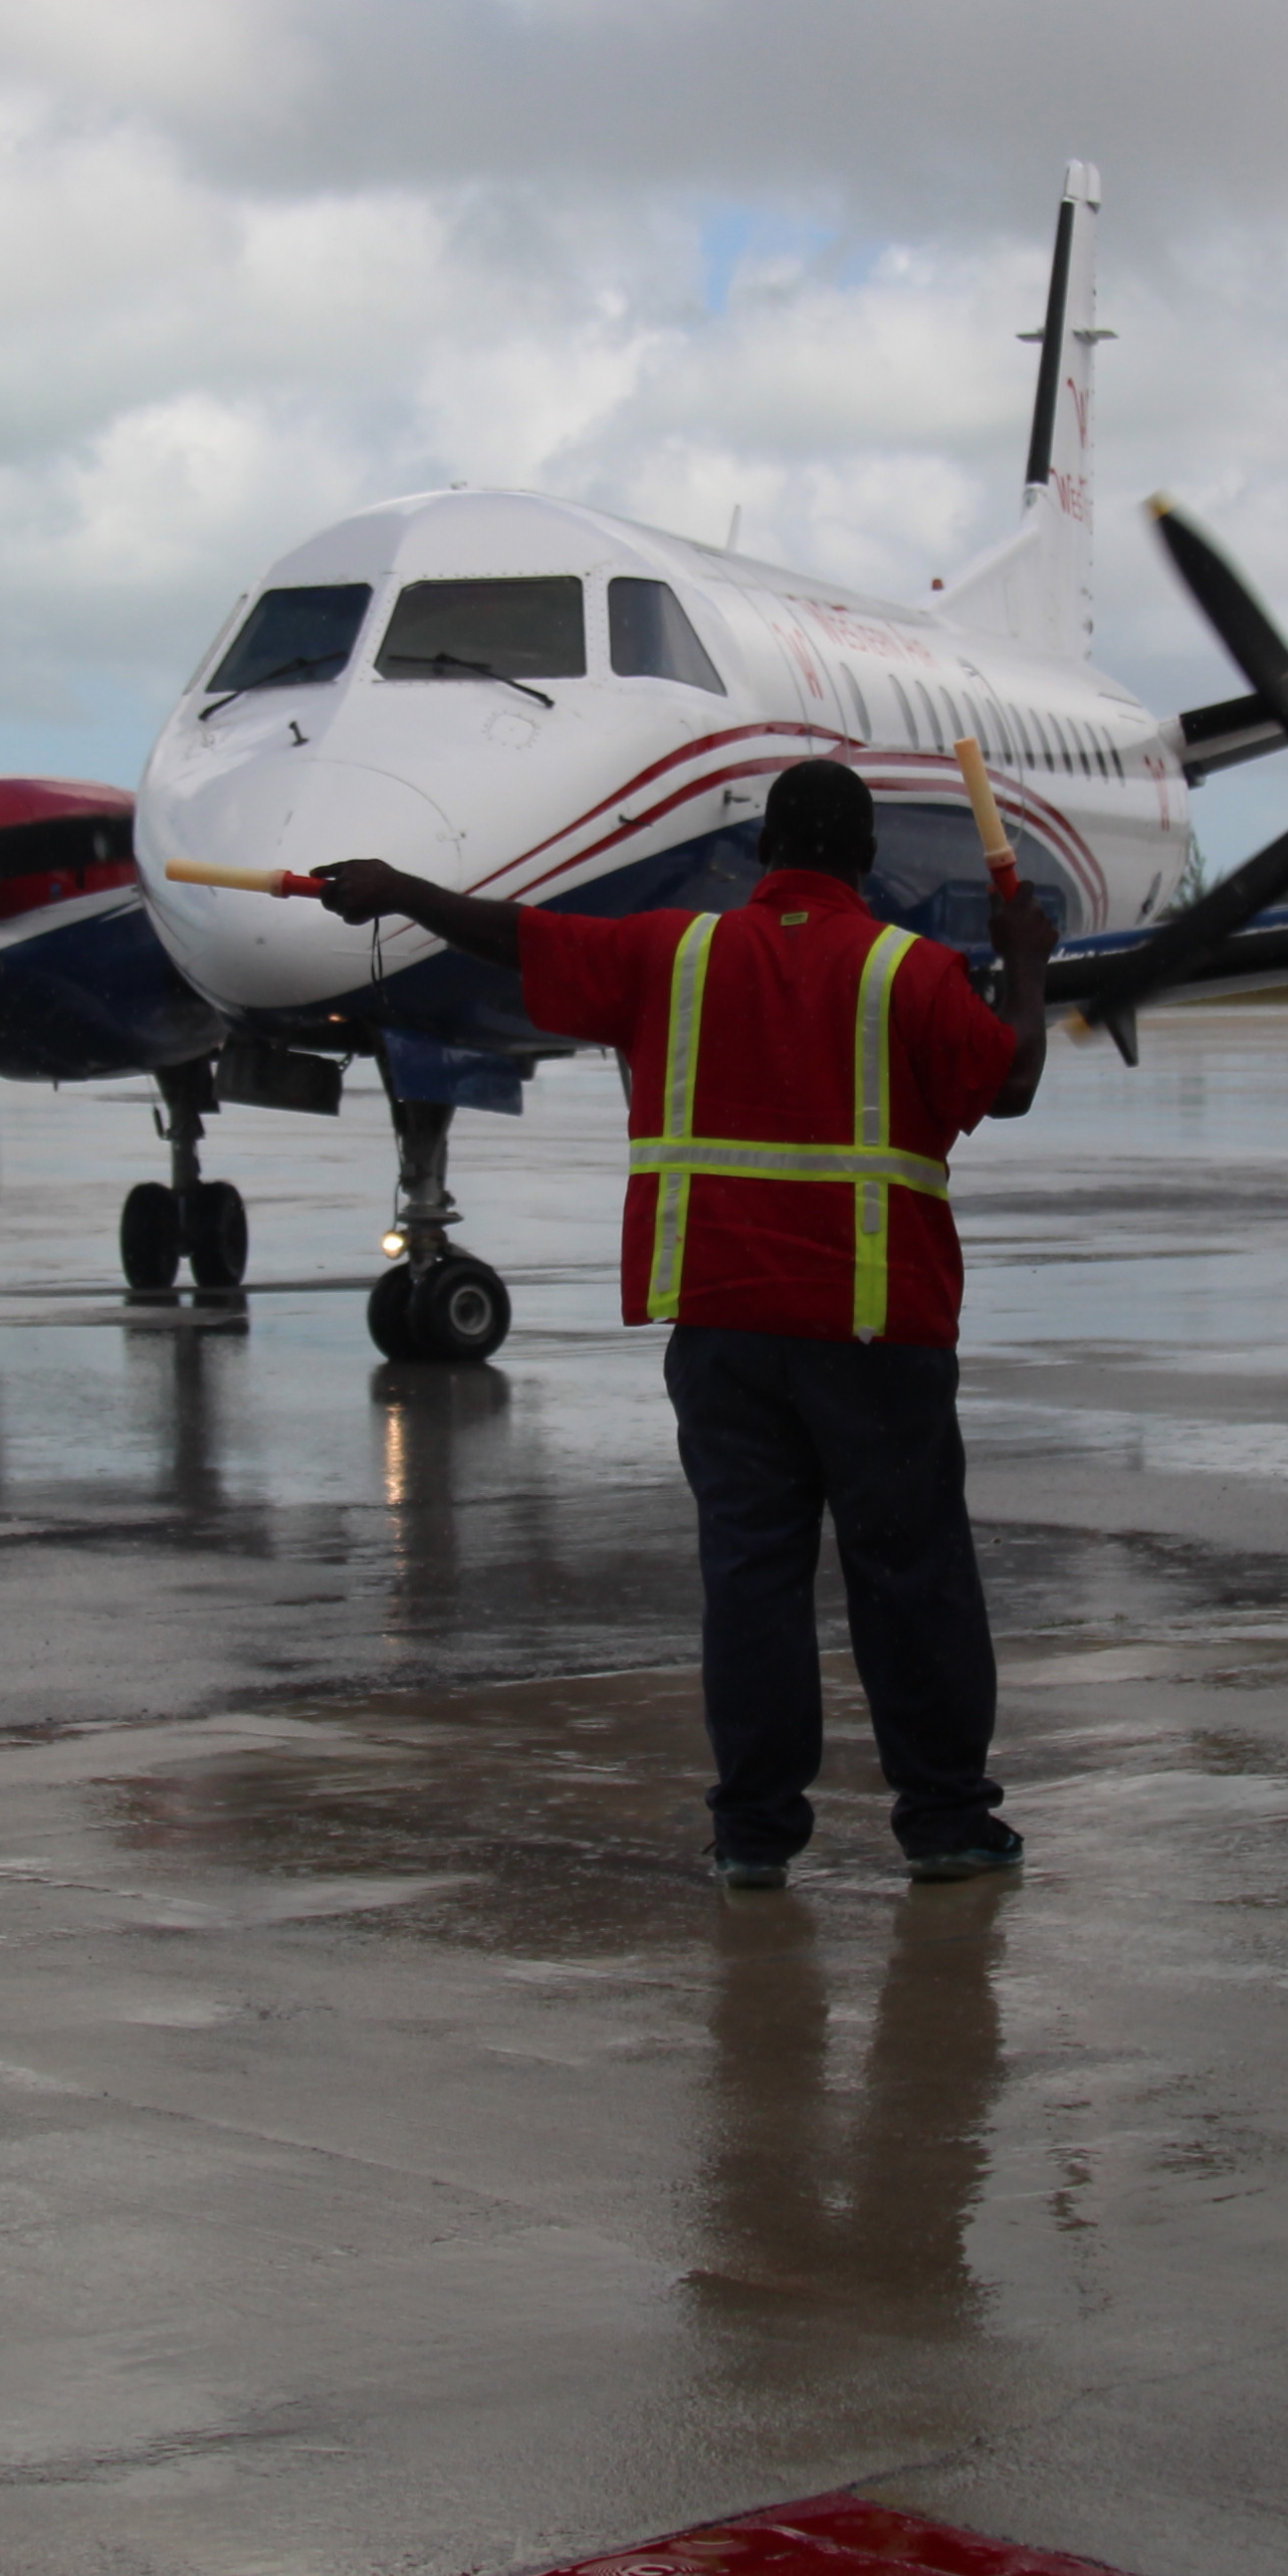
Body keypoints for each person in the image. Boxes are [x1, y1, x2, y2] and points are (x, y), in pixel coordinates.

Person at [314, 757, 1056, 1890]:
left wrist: (404, 889)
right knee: (910, 1578)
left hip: (721, 1329)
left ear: (766, 853)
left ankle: (755, 1832)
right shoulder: (907, 969)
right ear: (866, 860)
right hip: (874, 1330)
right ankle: (945, 1819)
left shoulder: (678, 953)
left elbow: (525, 939)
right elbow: (1008, 1084)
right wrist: (1029, 967)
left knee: (751, 1577)